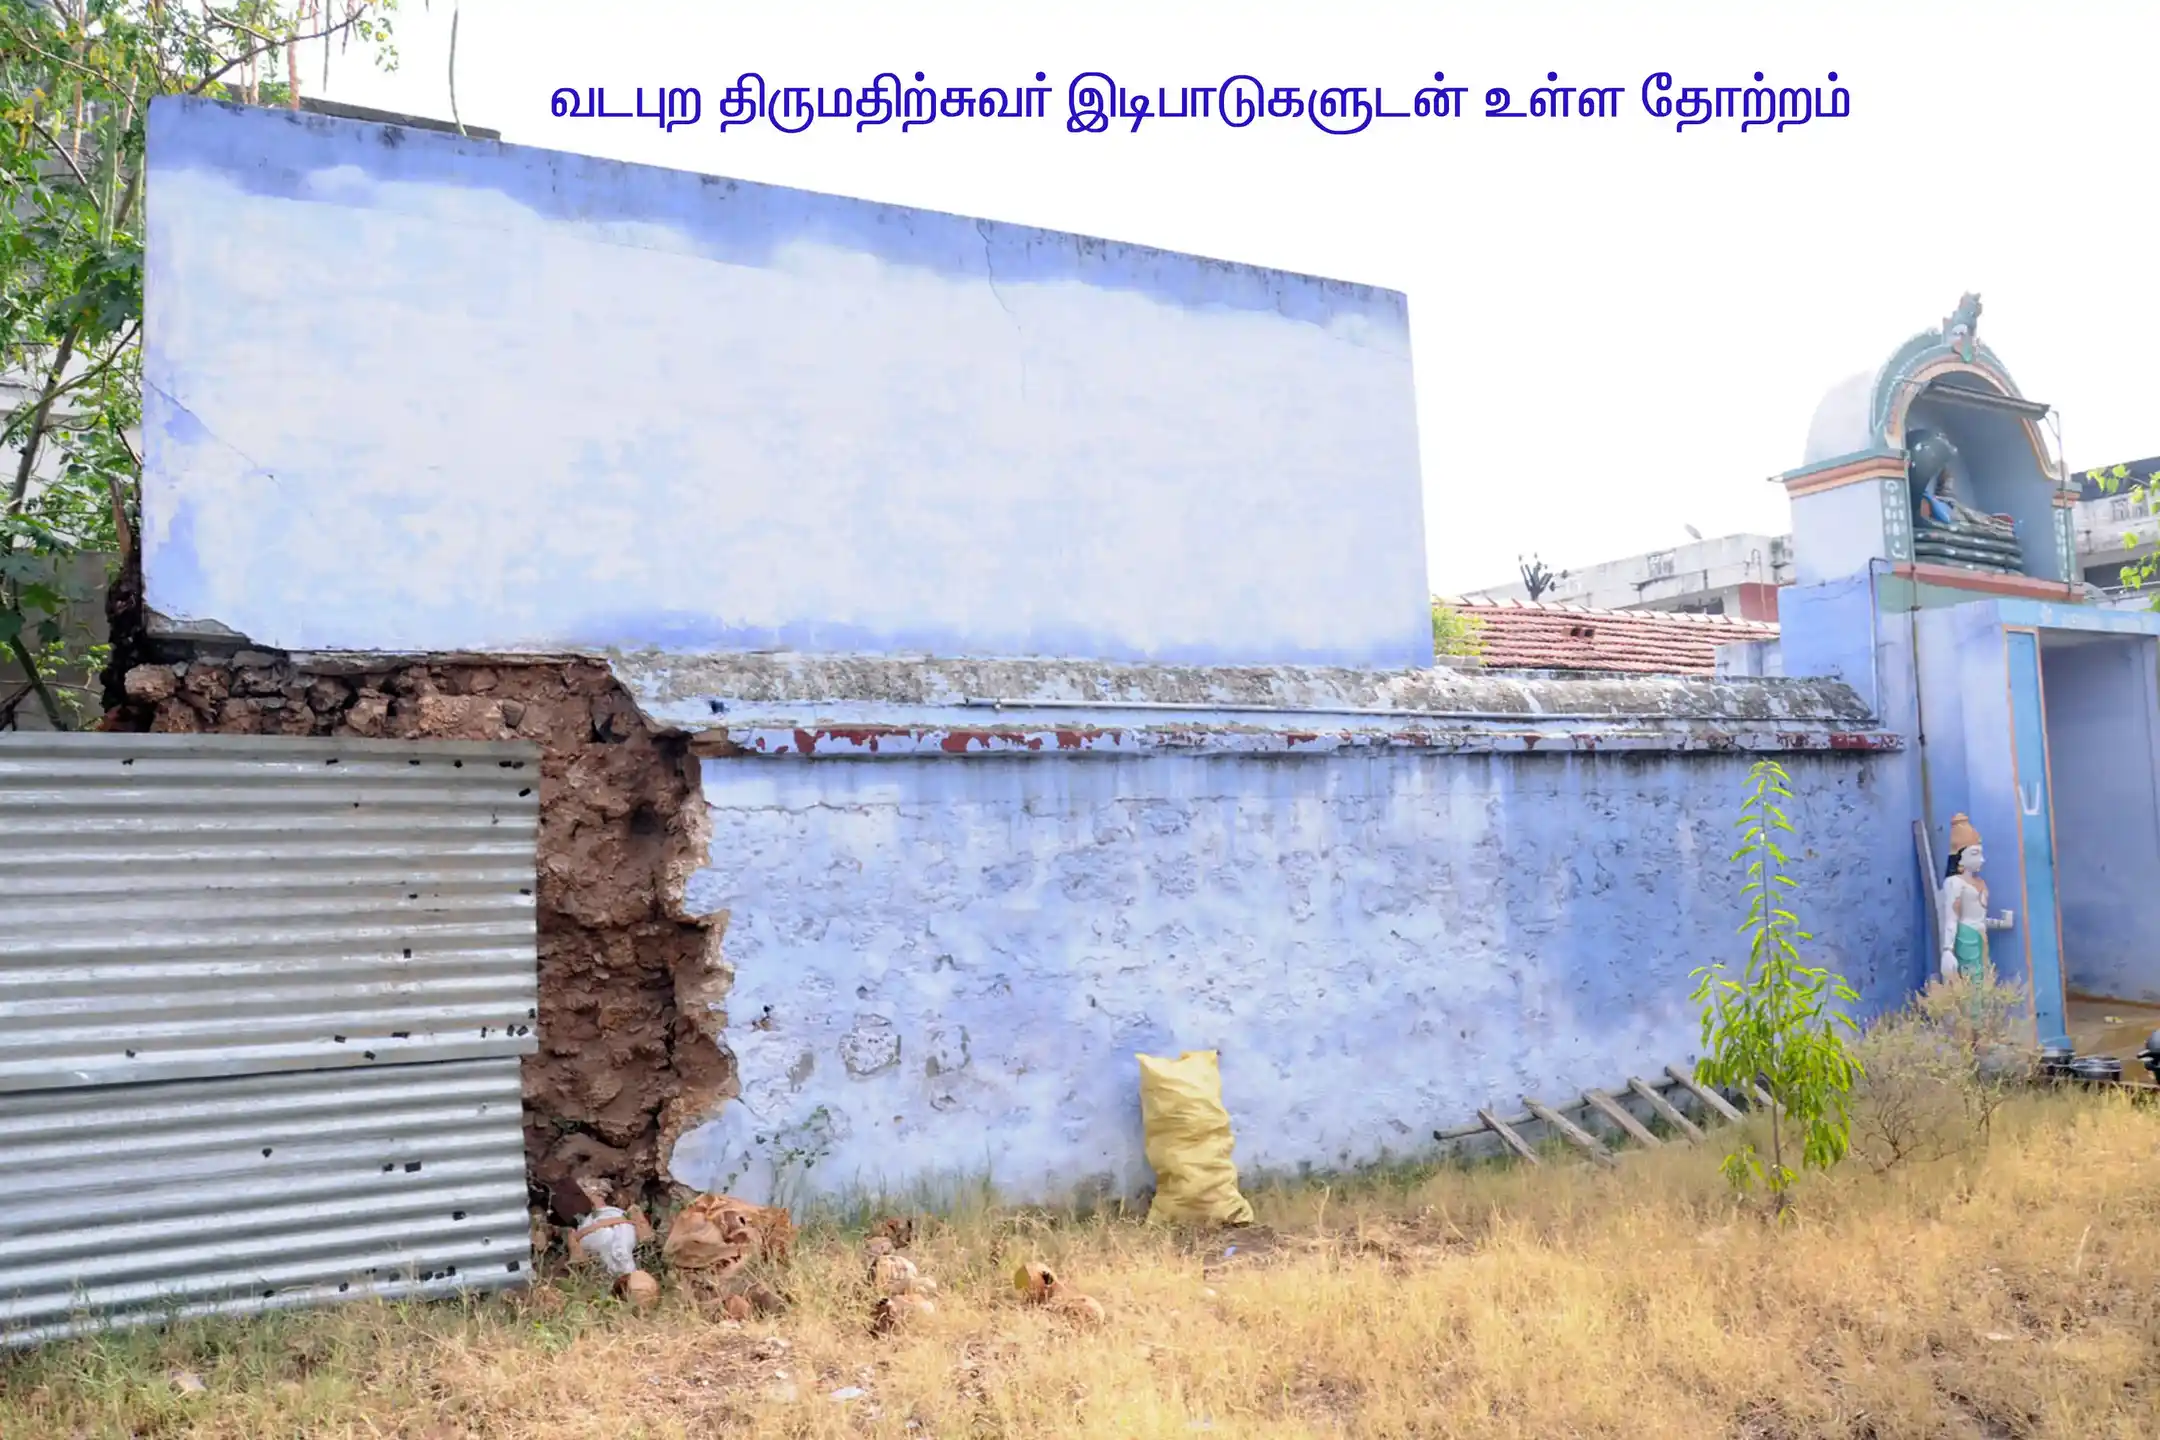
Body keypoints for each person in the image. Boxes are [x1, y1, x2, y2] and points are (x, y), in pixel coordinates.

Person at [1939, 813, 2014, 982]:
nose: (1981, 859)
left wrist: (2001, 923)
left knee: (1984, 977)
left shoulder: (1979, 882)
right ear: (1960, 858)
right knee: (1971, 980)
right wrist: (1947, 949)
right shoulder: (1954, 883)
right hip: (1966, 937)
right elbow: (1951, 918)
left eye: (1980, 854)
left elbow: (1978, 917)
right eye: (1974, 853)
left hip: (1981, 935)